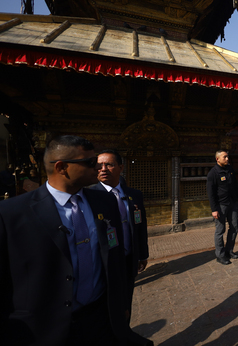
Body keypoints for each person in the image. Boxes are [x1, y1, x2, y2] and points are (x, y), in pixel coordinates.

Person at [0, 135, 139, 345]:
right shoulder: (12, 214)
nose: (98, 168)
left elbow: (114, 256)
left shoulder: (105, 202)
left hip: (99, 317)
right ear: (62, 167)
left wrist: (120, 305)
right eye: (90, 162)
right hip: (43, 328)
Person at [93, 149, 149, 318]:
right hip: (103, 264)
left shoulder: (134, 195)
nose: (103, 169)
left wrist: (142, 254)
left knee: (126, 303)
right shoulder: (89, 196)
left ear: (121, 167)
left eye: (109, 165)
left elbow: (140, 227)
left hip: (128, 258)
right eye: (99, 165)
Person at [206, 150, 238, 265]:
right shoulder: (213, 173)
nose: (227, 159)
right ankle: (220, 255)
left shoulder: (230, 169)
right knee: (220, 230)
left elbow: (235, 184)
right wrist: (214, 209)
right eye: (225, 157)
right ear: (217, 159)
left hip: (232, 203)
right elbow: (210, 193)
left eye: (227, 157)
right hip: (221, 206)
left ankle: (229, 250)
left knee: (234, 227)